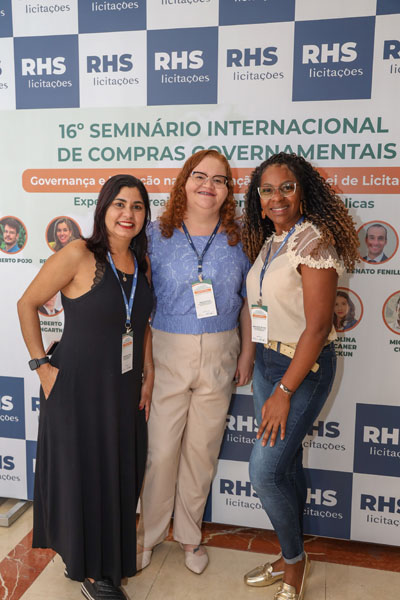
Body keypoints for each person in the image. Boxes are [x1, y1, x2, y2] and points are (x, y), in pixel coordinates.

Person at [17, 175, 154, 600]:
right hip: (76, 388)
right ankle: (94, 574)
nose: (128, 214)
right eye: (119, 204)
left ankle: (91, 558)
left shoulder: (142, 262)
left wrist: (147, 374)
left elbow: (141, 325)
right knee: (85, 477)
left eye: (137, 206)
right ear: (103, 208)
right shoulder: (78, 253)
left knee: (119, 475)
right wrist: (42, 368)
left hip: (125, 388)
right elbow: (26, 303)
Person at [242, 153, 359, 600]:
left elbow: (316, 327)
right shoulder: (273, 240)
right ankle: (290, 554)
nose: (277, 197)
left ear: (303, 191)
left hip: (302, 370)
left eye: (286, 187)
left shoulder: (314, 242)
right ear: (259, 198)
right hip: (268, 363)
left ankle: (294, 565)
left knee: (264, 473)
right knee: (285, 466)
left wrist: (284, 391)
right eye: (268, 190)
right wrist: (253, 358)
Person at [137, 149, 254, 575]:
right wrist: (146, 364)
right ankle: (147, 535)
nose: (209, 186)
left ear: (228, 190)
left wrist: (247, 352)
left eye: (219, 180)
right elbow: (140, 303)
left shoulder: (241, 237)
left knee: (202, 451)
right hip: (167, 350)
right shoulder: (155, 234)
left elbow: (248, 301)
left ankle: (190, 536)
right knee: (161, 450)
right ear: (184, 182)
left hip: (222, 351)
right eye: (200, 176)